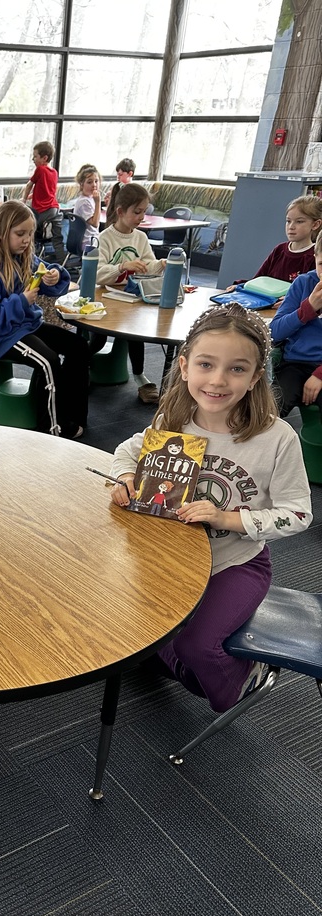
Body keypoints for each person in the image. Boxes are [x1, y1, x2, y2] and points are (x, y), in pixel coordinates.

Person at [110, 303, 311, 713]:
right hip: (172, 556)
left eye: (237, 369)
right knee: (132, 626)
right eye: (206, 364)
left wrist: (226, 518)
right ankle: (179, 665)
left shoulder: (277, 438)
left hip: (236, 562)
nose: (218, 380)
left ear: (255, 377)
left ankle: (241, 683)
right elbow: (128, 450)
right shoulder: (174, 418)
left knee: (196, 646)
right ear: (184, 367)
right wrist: (124, 477)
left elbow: (299, 513)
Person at [0, 199, 89, 439]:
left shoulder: (25, 258)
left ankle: (73, 415)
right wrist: (21, 301)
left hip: (25, 325)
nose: (26, 240)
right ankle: (52, 429)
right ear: (2, 234)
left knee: (79, 347)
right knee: (48, 362)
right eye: (20, 234)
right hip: (0, 336)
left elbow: (49, 281)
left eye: (30, 234)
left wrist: (55, 275)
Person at [97, 182, 167, 404]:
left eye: (144, 212)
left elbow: (149, 266)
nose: (141, 217)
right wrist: (121, 267)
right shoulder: (105, 237)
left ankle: (139, 376)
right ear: (120, 212)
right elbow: (97, 274)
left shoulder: (140, 238)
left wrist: (161, 264)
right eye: (137, 212)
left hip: (129, 298)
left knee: (136, 332)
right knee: (97, 339)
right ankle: (76, 368)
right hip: (104, 299)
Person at [225, 194, 322, 297]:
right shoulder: (279, 249)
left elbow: (312, 293)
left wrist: (291, 300)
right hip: (263, 301)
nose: (291, 226)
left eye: (299, 222)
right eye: (288, 221)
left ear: (315, 224)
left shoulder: (316, 256)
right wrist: (240, 286)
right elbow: (259, 279)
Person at [269, 231, 322, 417]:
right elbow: (274, 332)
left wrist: (319, 375)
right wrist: (308, 308)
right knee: (269, 410)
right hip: (295, 363)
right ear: (315, 257)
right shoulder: (303, 283)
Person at [22, 140, 66, 264]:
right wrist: (33, 196)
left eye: (35, 156)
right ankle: (62, 263)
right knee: (57, 239)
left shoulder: (40, 170)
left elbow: (29, 185)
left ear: (44, 158)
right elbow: (48, 190)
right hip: (54, 209)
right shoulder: (54, 172)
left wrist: (24, 199)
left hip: (43, 210)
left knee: (30, 232)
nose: (33, 159)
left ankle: (31, 261)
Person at [72, 164, 102, 252]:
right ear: (82, 185)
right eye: (89, 182)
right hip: (88, 242)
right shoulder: (84, 202)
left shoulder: (90, 198)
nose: (94, 185)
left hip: (91, 239)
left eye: (96, 181)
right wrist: (98, 202)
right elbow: (95, 223)